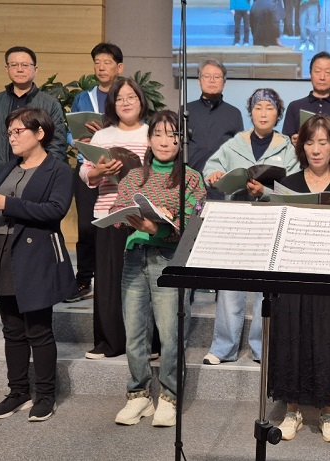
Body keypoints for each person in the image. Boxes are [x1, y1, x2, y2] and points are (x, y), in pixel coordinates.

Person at [0, 107, 76, 422]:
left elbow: (54, 211)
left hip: (35, 256)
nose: (12, 137)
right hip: (1, 253)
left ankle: (45, 396)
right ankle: (18, 391)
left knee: (39, 330)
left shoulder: (58, 170)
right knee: (12, 330)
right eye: (9, 133)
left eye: (18, 131)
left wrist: (6, 203)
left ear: (40, 133)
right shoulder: (8, 167)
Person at [111, 110, 207, 428]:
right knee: (135, 334)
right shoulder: (135, 176)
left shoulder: (191, 178)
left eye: (172, 135)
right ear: (149, 139)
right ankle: (138, 395)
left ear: (182, 141)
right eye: (158, 134)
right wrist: (124, 217)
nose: (165, 141)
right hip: (134, 257)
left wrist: (158, 226)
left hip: (169, 260)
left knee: (170, 334)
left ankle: (169, 396)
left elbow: (192, 221)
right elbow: (117, 207)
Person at [269, 115, 330, 443]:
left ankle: (328, 411)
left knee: (328, 338)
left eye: (323, 142)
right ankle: (292, 410)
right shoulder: (288, 183)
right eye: (310, 142)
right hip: (293, 273)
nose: (317, 149)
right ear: (301, 146)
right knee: (291, 336)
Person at [202, 88, 301, 365]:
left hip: (271, 223)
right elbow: (210, 167)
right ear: (251, 112)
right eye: (258, 108)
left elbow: (293, 189)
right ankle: (223, 348)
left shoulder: (288, 149)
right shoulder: (235, 143)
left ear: (278, 114)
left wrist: (264, 192)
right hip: (237, 221)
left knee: (264, 289)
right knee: (230, 286)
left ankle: (262, 347)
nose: (263, 113)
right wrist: (215, 174)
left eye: (269, 108)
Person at [78, 78, 151, 360]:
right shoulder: (102, 137)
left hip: (141, 215)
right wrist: (99, 171)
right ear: (112, 104)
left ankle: (149, 343)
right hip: (108, 213)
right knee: (108, 281)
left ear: (141, 101)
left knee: (143, 281)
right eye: (119, 98)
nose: (125, 102)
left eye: (131, 97)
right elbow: (86, 172)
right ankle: (109, 342)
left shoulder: (151, 133)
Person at [65, 42, 125, 304]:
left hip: (118, 168)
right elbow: (69, 131)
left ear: (119, 67)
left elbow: (138, 126)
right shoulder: (83, 97)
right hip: (89, 167)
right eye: (97, 62)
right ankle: (84, 278)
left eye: (107, 62)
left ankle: (115, 278)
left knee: (117, 224)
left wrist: (108, 132)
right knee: (86, 227)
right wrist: (77, 140)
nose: (101, 67)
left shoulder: (127, 95)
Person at [0, 46, 67, 187]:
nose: (19, 69)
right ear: (7, 69)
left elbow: (57, 144)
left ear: (35, 70)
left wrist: (45, 176)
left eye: (25, 65)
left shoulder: (50, 104)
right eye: (14, 65)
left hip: (35, 179)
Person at [281, 52, 330, 159]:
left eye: (328, 72)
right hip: (301, 166)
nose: (322, 77)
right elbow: (285, 140)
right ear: (310, 74)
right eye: (317, 71)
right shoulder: (295, 106)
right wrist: (294, 140)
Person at [188, 59, 245, 175]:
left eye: (217, 77)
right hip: (191, 177)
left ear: (224, 82)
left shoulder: (234, 113)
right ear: (199, 81)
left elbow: (239, 151)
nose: (212, 80)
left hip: (222, 178)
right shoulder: (186, 110)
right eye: (207, 76)